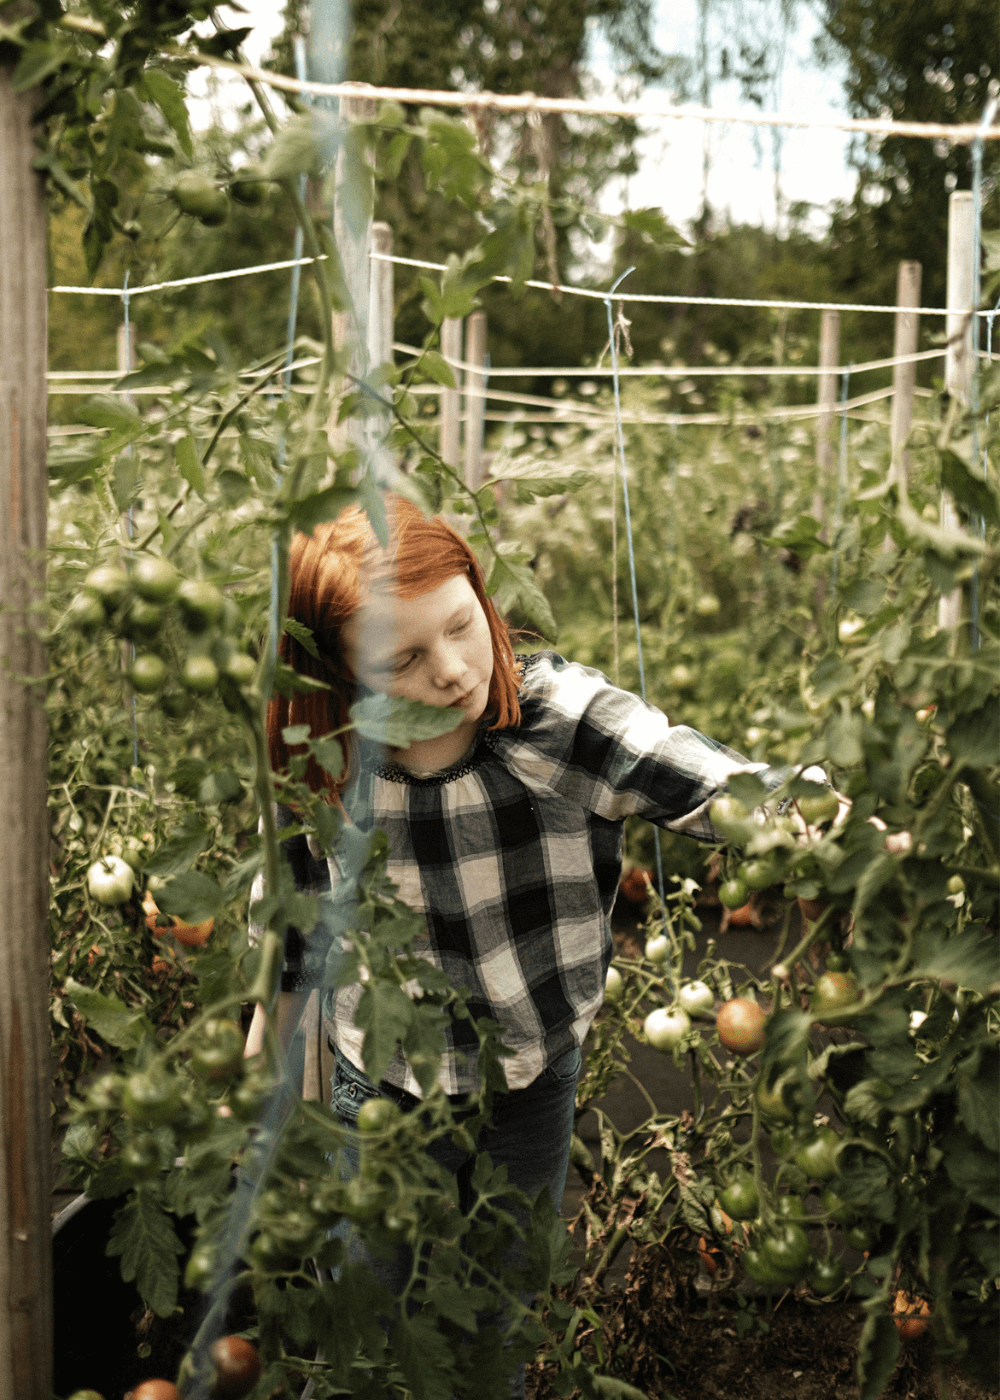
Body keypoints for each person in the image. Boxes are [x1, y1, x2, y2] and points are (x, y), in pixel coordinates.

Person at [249, 493, 793, 1396]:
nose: (455, 670)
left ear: (478, 591)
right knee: (375, 1291)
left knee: (504, 1295)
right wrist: (266, 1053)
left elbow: (703, 777)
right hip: (382, 1077)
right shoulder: (328, 763)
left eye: (463, 625)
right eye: (404, 661)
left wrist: (826, 822)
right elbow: (299, 910)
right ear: (341, 678)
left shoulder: (550, 722)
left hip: (532, 1062)